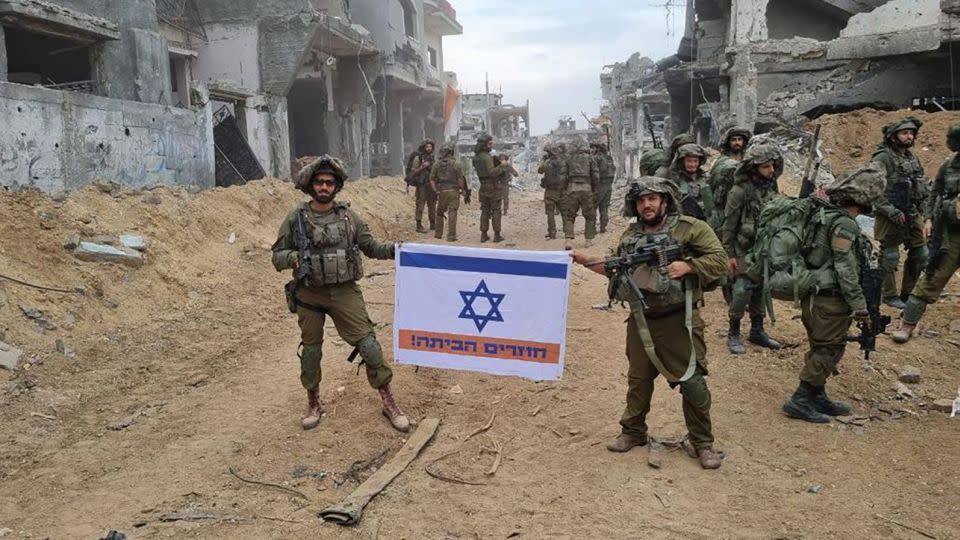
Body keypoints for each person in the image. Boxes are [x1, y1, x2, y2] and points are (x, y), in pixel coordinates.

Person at [569, 177, 727, 470]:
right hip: (641, 320)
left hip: (680, 320)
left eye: (652, 199)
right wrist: (582, 260)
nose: (647, 205)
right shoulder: (630, 236)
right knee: (638, 381)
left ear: (665, 201)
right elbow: (616, 270)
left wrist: (689, 266)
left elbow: (720, 260)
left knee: (692, 383)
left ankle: (703, 442)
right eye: (641, 200)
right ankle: (633, 431)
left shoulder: (690, 228)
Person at [272, 155, 410, 433]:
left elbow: (371, 247)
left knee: (369, 346)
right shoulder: (296, 218)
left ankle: (389, 402)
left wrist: (397, 250)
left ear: (337, 187)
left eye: (329, 182)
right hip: (309, 295)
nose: (324, 187)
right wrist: (294, 258)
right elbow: (277, 257)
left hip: (344, 292)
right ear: (311, 186)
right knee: (311, 352)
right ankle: (314, 403)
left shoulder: (349, 217)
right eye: (320, 182)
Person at [782, 167, 885, 422]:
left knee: (827, 345)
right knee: (827, 348)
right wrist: (860, 305)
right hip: (829, 298)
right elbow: (845, 268)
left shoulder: (827, 215)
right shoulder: (844, 225)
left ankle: (816, 394)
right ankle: (801, 399)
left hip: (819, 296)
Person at [893, 123, 960, 342]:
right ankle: (907, 324)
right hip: (950, 234)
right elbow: (935, 193)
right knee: (931, 276)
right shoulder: (949, 166)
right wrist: (929, 218)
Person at [722, 143, 784, 354]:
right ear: (754, 167)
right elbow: (729, 225)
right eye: (766, 167)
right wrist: (729, 254)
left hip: (765, 248)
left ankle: (757, 330)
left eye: (772, 166)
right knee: (741, 291)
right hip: (743, 250)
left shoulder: (771, 187)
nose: (771, 170)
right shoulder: (739, 191)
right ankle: (733, 332)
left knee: (761, 290)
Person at [870, 117, 930, 309]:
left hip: (912, 214)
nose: (909, 136)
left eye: (911, 133)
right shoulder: (882, 158)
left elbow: (922, 186)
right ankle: (889, 295)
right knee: (889, 257)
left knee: (921, 254)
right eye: (904, 133)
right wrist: (890, 210)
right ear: (893, 136)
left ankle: (907, 293)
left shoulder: (912, 158)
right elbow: (871, 187)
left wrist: (926, 213)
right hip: (890, 215)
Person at [665, 143, 717, 230]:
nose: (692, 164)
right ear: (682, 162)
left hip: (707, 225)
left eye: (695, 161)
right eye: (689, 161)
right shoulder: (677, 181)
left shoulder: (707, 178)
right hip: (684, 226)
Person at [708, 127, 752, 225]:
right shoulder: (721, 161)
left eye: (739, 140)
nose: (737, 142)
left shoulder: (749, 160)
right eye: (733, 140)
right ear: (728, 142)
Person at [473, 134, 512, 243]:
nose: (491, 145)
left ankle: (483, 234)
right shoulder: (486, 157)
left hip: (483, 186)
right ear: (484, 145)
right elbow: (492, 172)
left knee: (484, 210)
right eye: (490, 144)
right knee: (496, 211)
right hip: (493, 187)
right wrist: (502, 165)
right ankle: (497, 235)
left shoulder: (476, 157)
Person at [562, 139, 599, 245]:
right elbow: (596, 175)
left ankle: (568, 240)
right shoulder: (590, 158)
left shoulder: (569, 159)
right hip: (587, 189)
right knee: (590, 216)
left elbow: (564, 176)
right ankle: (588, 240)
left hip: (572, 188)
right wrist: (595, 189)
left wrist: (565, 189)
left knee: (569, 215)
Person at [430, 143, 468, 242]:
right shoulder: (457, 163)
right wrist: (463, 190)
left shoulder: (436, 164)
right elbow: (460, 179)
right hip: (453, 191)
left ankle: (438, 234)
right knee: (452, 212)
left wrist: (435, 190)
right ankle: (451, 236)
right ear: (451, 152)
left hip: (442, 191)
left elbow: (432, 179)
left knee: (439, 212)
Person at [538, 143, 568, 239]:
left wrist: (544, 160)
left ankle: (552, 232)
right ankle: (567, 231)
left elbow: (540, 170)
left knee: (550, 212)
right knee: (564, 211)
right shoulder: (563, 161)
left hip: (550, 190)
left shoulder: (548, 162)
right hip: (562, 190)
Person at [409, 139, 437, 233]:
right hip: (422, 185)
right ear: (423, 148)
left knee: (432, 204)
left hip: (431, 185)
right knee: (420, 204)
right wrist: (422, 167)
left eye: (430, 147)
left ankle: (433, 223)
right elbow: (413, 172)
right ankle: (418, 224)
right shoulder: (418, 158)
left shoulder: (432, 158)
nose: (429, 148)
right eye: (427, 147)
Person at [591, 142, 617, 233]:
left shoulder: (596, 158)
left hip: (599, 185)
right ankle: (603, 227)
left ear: (597, 149)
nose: (592, 150)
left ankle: (592, 228)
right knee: (604, 207)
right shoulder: (609, 158)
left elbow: (594, 174)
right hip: (608, 185)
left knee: (593, 207)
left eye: (593, 148)